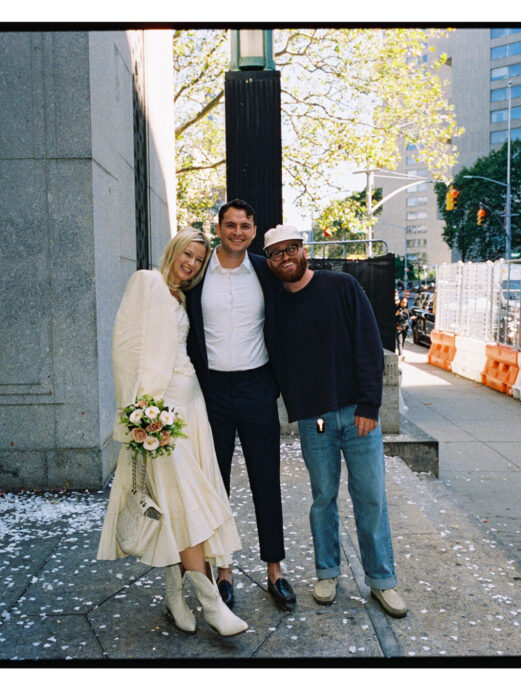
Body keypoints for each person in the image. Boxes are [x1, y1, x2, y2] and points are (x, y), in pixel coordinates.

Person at [97, 228, 248, 637]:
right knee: (183, 500)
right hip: (157, 418)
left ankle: (174, 593)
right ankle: (212, 604)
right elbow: (124, 350)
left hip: (191, 410)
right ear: (174, 249)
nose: (192, 264)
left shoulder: (182, 298)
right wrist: (138, 416)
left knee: (181, 504)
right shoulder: (146, 281)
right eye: (188, 254)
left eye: (199, 260)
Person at [262, 224, 408, 619]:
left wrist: (369, 406)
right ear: (271, 262)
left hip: (358, 415)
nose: (285, 258)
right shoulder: (276, 306)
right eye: (276, 254)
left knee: (371, 497)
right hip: (316, 421)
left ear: (303, 250)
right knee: (323, 497)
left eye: (291, 249)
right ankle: (327, 572)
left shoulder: (341, 286)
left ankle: (383, 581)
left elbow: (368, 343)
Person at [184, 199, 296, 611]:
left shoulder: (264, 271)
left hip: (257, 385)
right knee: (216, 486)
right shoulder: (198, 274)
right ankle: (224, 571)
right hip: (210, 391)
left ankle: (275, 571)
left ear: (253, 229)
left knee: (266, 480)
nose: (237, 232)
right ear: (218, 227)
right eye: (230, 225)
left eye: (244, 225)